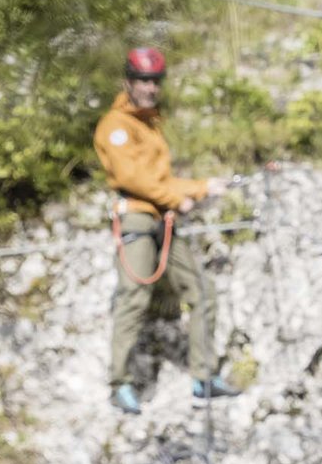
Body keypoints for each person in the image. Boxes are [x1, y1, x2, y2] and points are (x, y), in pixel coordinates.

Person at [93, 46, 242, 415]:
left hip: (164, 218)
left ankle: (203, 378)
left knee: (203, 292)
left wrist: (203, 186)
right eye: (143, 80)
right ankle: (120, 383)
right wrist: (177, 198)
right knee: (135, 297)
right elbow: (132, 178)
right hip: (138, 220)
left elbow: (163, 180)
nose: (150, 87)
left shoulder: (150, 125)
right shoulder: (116, 127)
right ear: (128, 81)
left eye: (155, 81)